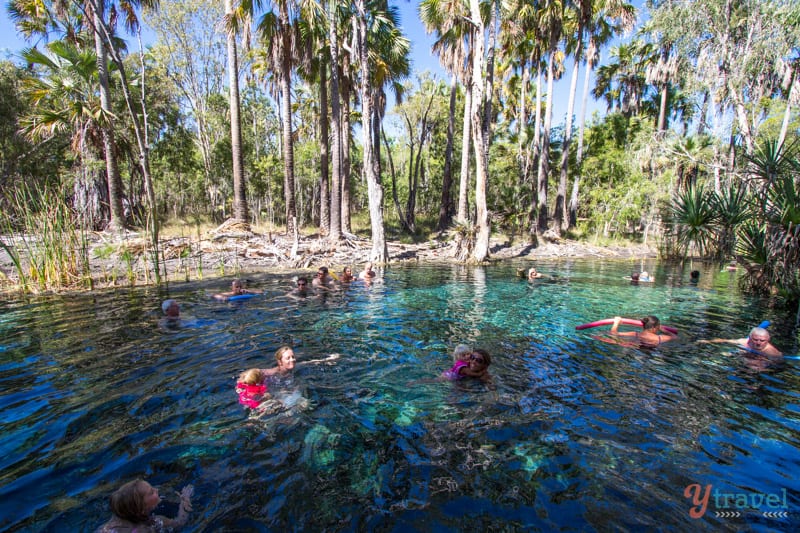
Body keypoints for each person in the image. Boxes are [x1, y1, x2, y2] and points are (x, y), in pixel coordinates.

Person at [97, 479, 193, 533]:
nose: (157, 490)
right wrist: (184, 502)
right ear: (141, 508)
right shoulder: (151, 524)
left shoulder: (107, 527)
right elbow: (179, 523)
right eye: (151, 492)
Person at [701, 327, 782, 357]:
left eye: (762, 340)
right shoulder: (744, 342)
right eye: (755, 339)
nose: (758, 343)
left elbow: (777, 365)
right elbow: (725, 340)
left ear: (768, 340)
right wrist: (707, 341)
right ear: (750, 338)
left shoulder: (771, 352)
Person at [609, 315, 677, 348]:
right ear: (654, 327)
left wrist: (616, 322)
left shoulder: (635, 334)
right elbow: (675, 337)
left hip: (636, 347)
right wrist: (664, 331)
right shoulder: (660, 338)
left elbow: (613, 333)